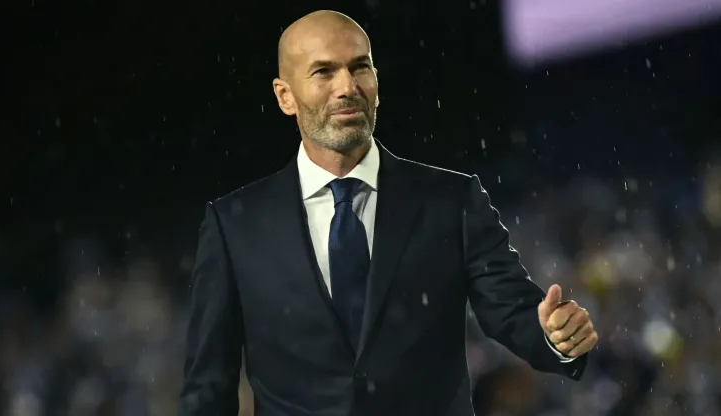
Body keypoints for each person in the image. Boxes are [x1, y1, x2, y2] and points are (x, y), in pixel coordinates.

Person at [179, 10, 598, 416]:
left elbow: (514, 313)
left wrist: (555, 336)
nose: (347, 86)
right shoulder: (235, 224)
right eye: (324, 72)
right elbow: (208, 387)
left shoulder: (451, 200)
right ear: (285, 96)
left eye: (360, 67)